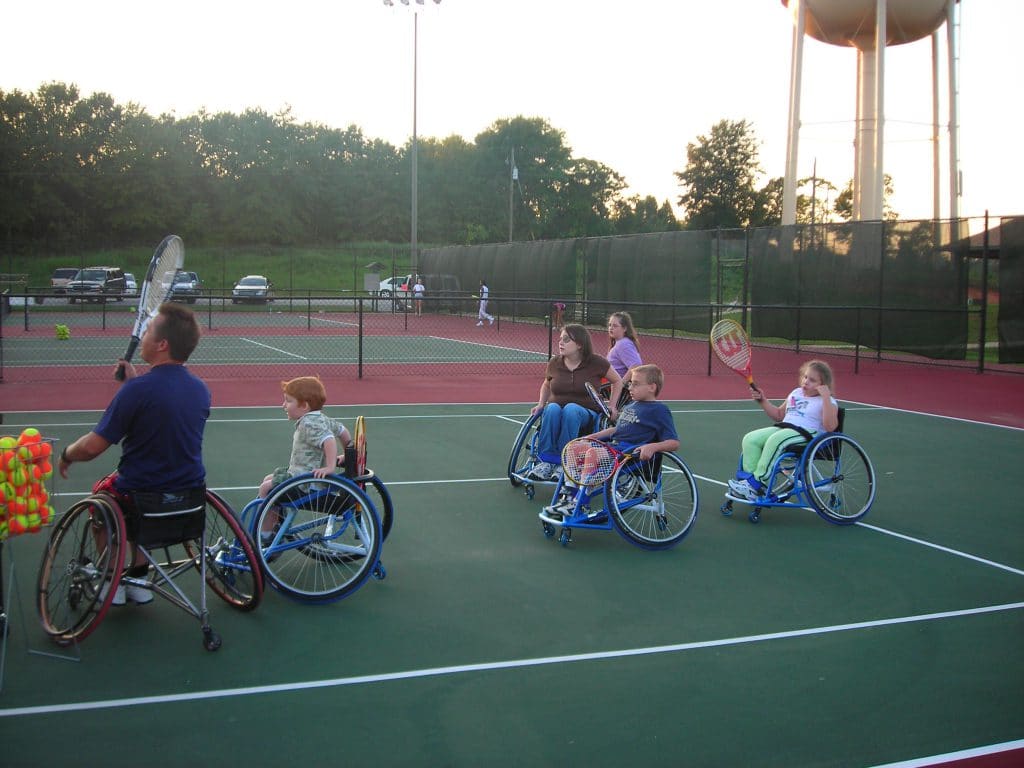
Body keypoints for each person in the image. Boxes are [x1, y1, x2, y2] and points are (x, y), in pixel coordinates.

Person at [57, 303, 209, 606]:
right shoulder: (200, 389)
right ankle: (139, 577)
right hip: (189, 497)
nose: (143, 336)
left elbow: (92, 447)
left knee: (103, 496)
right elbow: (164, 410)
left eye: (149, 331)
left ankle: (109, 578)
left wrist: (66, 454)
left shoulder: (137, 391)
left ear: (162, 344)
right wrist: (133, 385)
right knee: (144, 505)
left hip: (140, 494)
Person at [727, 359, 839, 501]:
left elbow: (830, 427)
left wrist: (826, 397)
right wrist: (763, 400)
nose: (806, 381)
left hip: (808, 434)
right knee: (751, 439)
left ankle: (757, 482)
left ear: (823, 385)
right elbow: (779, 415)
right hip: (785, 429)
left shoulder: (828, 401)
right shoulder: (796, 393)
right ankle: (750, 485)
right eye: (805, 377)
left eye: (812, 380)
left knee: (776, 440)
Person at [527, 323, 623, 480]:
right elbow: (546, 384)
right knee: (551, 409)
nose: (561, 342)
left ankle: (564, 462)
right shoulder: (555, 362)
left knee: (571, 409)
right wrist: (540, 404)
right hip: (557, 410)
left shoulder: (596, 362)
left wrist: (612, 406)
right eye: (560, 339)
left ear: (579, 344)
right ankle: (545, 461)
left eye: (566, 339)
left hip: (587, 413)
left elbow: (617, 381)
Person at [258, 376, 350, 499]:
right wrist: (348, 453)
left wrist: (330, 467)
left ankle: (265, 518)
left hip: (305, 482)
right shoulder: (321, 418)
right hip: (301, 474)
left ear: (304, 406)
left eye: (288, 401)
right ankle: (278, 516)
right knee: (269, 479)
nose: (283, 405)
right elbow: (342, 431)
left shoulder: (308, 424)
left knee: (265, 488)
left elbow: (329, 439)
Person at [581, 364, 679, 461]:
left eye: (635, 384)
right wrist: (593, 437)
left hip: (630, 453)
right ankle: (572, 476)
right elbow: (618, 429)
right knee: (577, 447)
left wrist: (652, 447)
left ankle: (584, 477)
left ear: (652, 388)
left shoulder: (659, 410)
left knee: (592, 453)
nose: (630, 388)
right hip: (615, 447)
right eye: (630, 383)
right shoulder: (630, 406)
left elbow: (673, 443)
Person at [607, 311, 643, 385]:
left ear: (624, 328)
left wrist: (621, 384)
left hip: (611, 385)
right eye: (610, 325)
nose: (611, 328)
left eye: (615, 326)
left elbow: (636, 365)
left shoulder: (624, 344)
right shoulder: (619, 343)